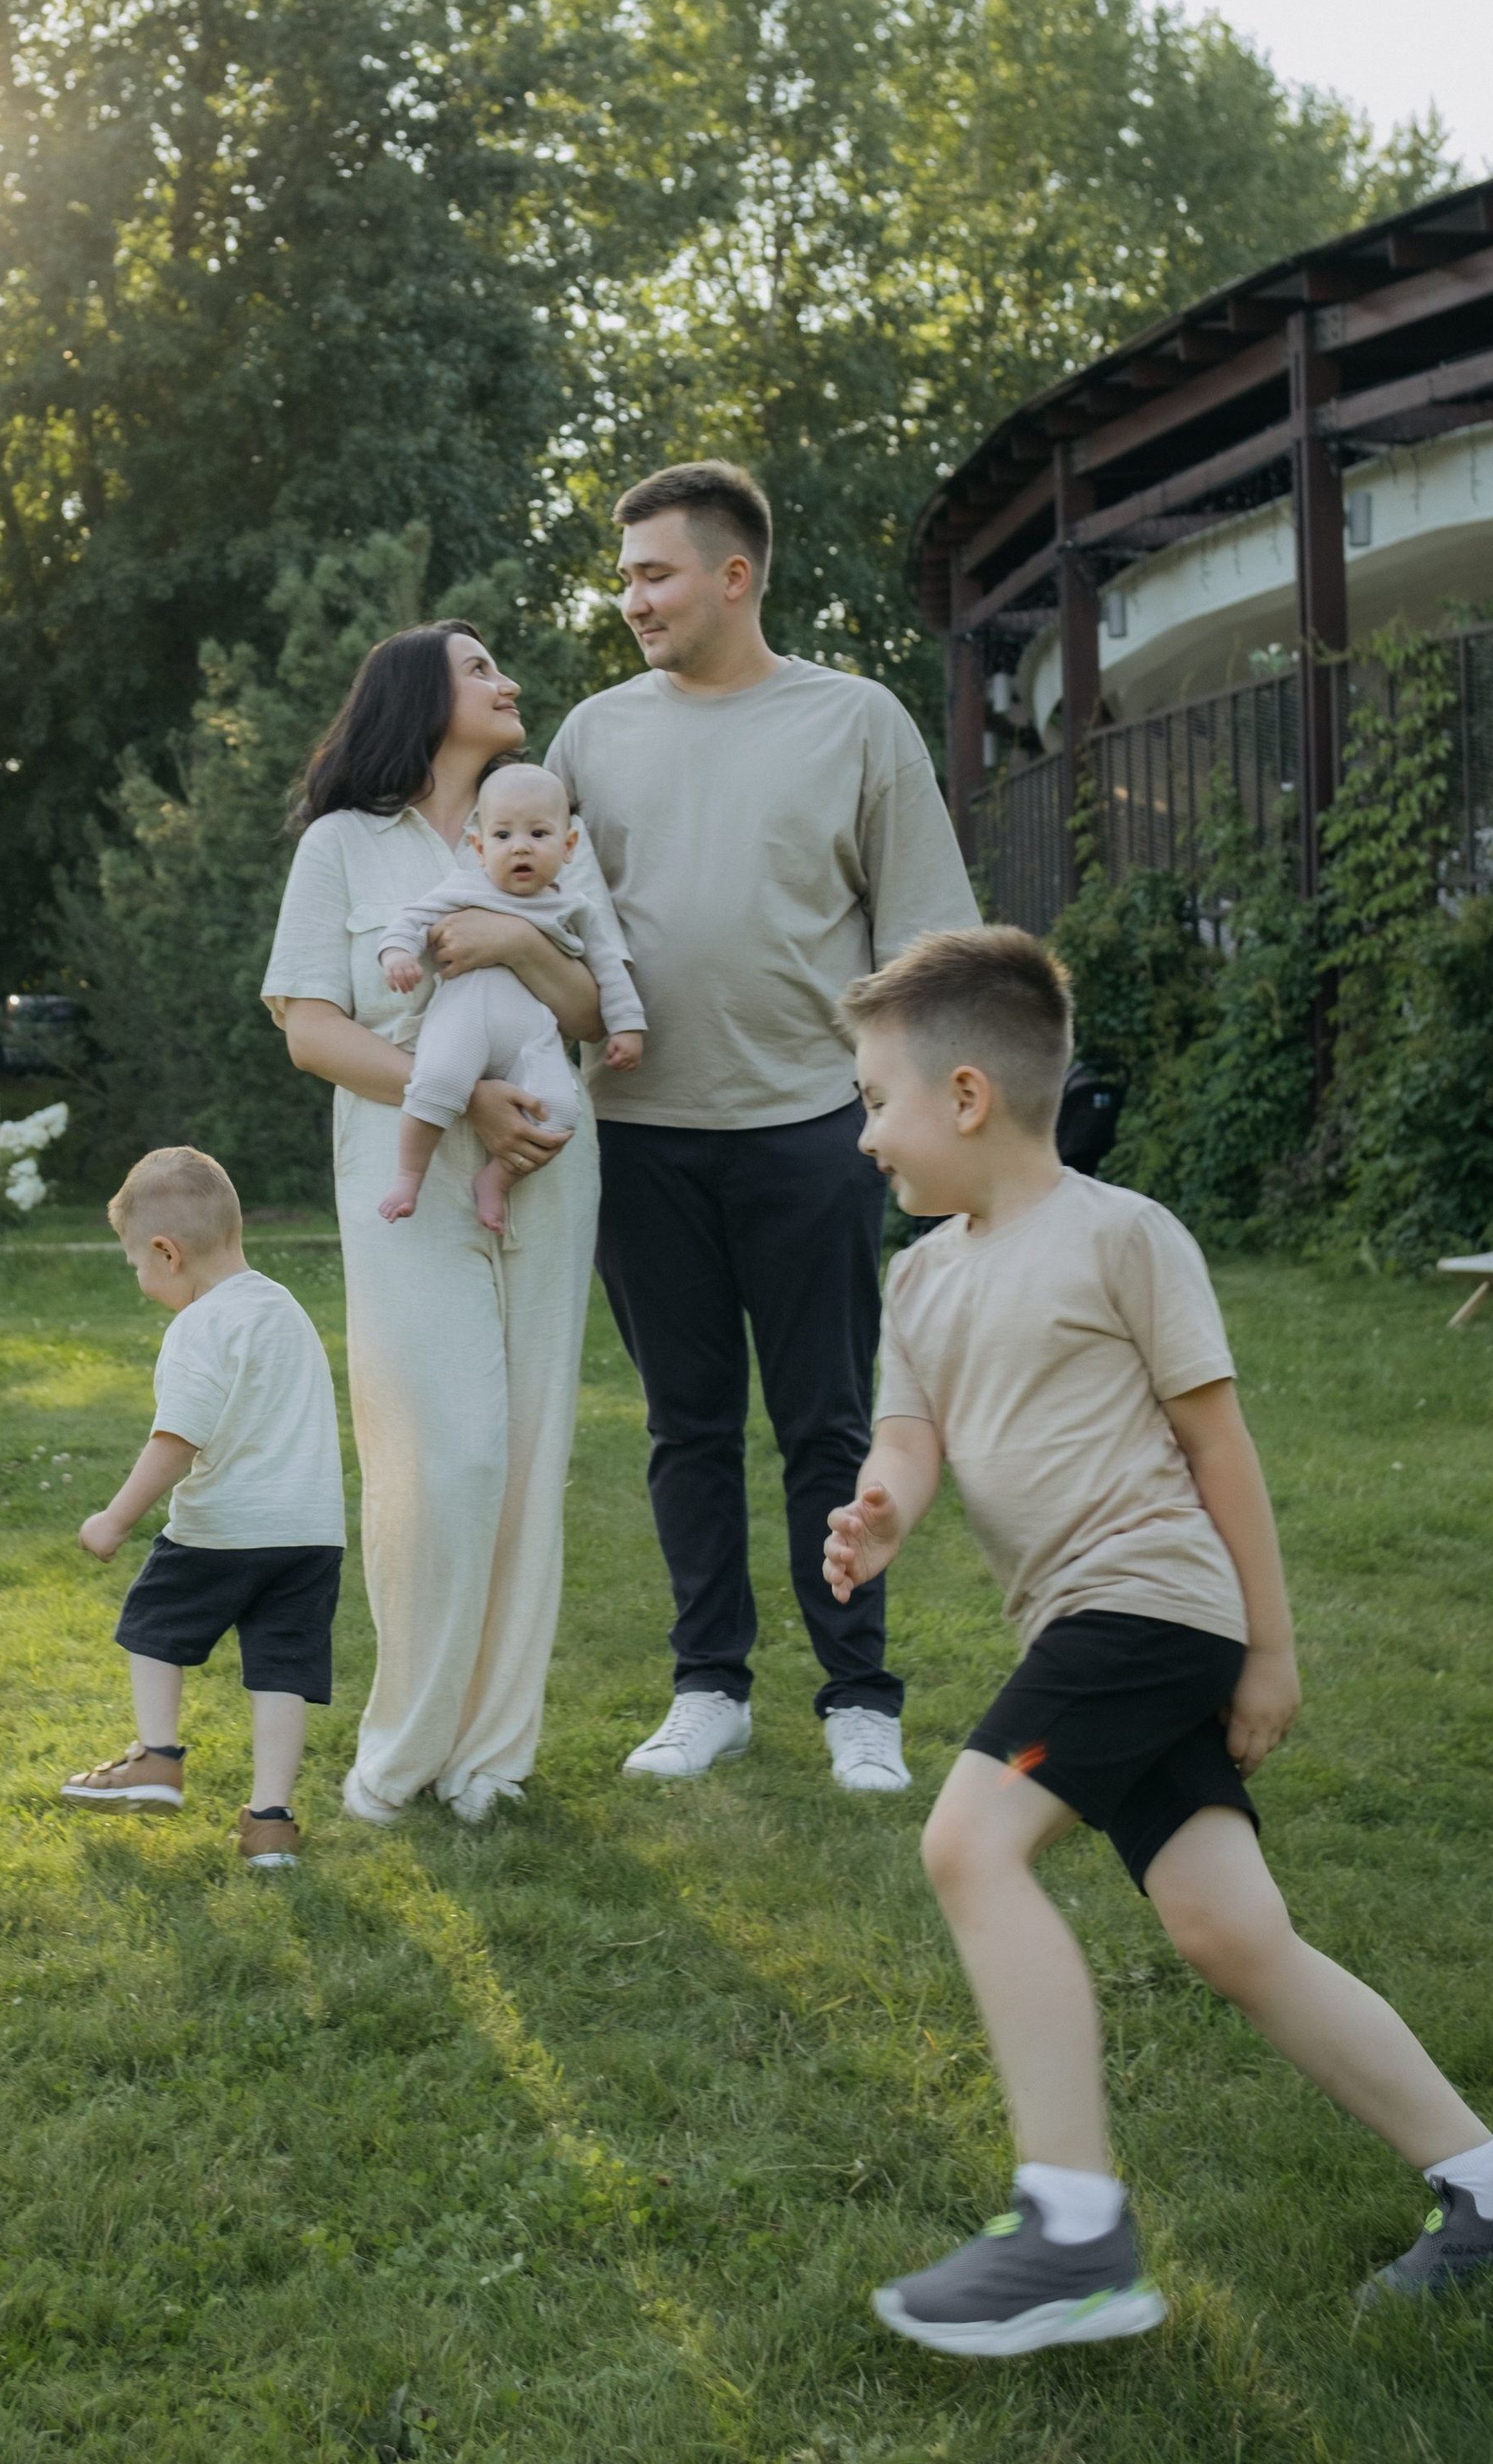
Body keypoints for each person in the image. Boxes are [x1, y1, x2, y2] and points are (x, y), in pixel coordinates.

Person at [824, 924, 1493, 2351]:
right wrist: (883, 1507)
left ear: (967, 1096)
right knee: (1229, 1930)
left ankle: (1074, 2232)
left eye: (873, 1101)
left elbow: (1219, 1450)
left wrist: (1269, 1651)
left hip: (1150, 1604)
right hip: (1100, 1623)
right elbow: (910, 1435)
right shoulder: (919, 1280)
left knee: (967, 1842)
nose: (865, 1140)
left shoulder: (1121, 1237)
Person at [542, 461, 977, 1794]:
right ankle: (709, 1687)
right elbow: (537, 915)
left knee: (829, 1425)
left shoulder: (854, 722)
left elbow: (925, 939)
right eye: (624, 577)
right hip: (642, 1138)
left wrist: (914, 1120)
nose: (632, 600)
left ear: (736, 576)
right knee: (686, 1427)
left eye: (655, 573)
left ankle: (859, 1697)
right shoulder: (590, 737)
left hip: (811, 1131)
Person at [262, 622, 606, 1825]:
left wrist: (518, 938)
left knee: (529, 1453)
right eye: (479, 669)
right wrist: (460, 1103)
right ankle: (401, 1753)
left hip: (548, 1155)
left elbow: (593, 999)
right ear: (419, 697)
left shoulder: (549, 821)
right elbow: (309, 1027)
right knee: (444, 1456)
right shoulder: (342, 849)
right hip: (405, 1158)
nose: (507, 683)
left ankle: (492, 1762)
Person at [62, 1144, 346, 1871]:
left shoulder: (200, 1326)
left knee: (152, 1628)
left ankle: (157, 1758)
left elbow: (177, 1438)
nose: (139, 1281)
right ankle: (271, 1825)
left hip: (224, 1529)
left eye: (136, 1266)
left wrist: (116, 1518)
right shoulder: (284, 1307)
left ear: (167, 1251)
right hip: (311, 1535)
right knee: (282, 1668)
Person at [378, 761, 645, 1234]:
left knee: (559, 1113)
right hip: (465, 1019)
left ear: (568, 847)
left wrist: (627, 1026)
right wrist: (397, 953)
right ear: (479, 848)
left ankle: (495, 1181)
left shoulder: (573, 908)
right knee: (436, 1080)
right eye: (503, 836)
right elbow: (412, 919)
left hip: (533, 1036)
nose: (520, 846)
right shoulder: (463, 889)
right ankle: (407, 1176)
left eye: (539, 834)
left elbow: (608, 970)